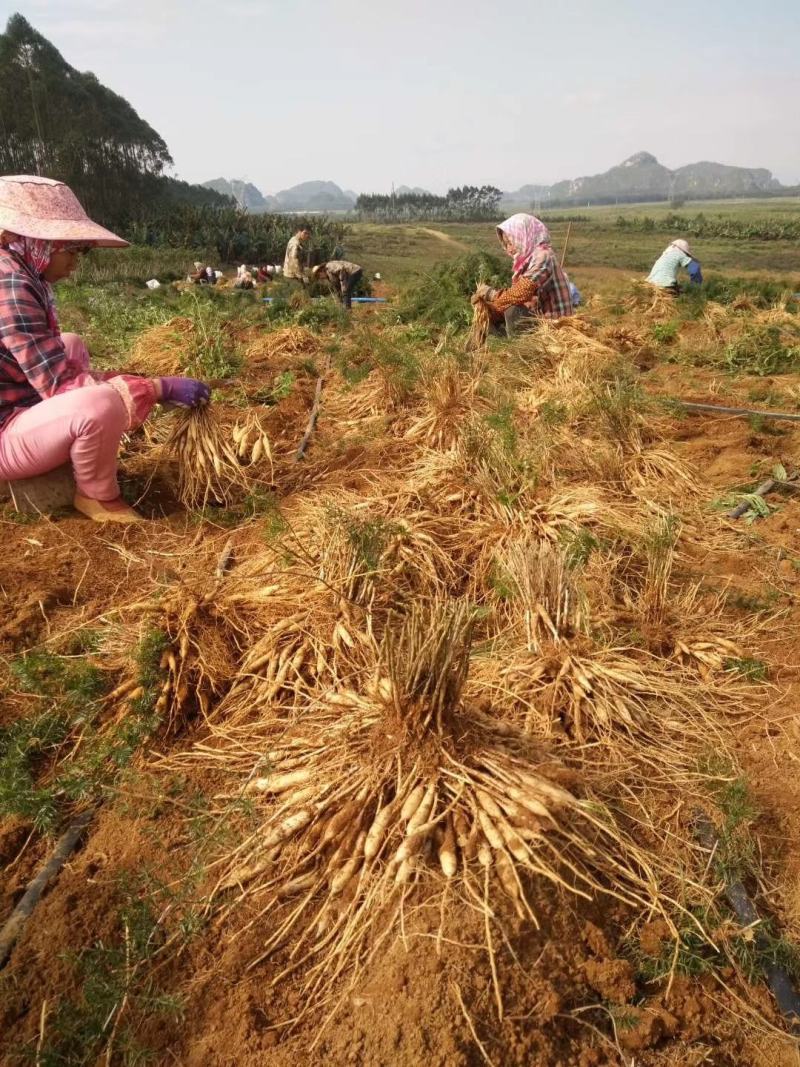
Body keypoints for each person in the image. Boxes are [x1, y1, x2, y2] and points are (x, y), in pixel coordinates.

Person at [0, 175, 209, 524]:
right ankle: (97, 497)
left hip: (15, 405)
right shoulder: (11, 284)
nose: (76, 262)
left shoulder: (19, 271)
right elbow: (61, 386)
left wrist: (141, 382)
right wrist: (156, 388)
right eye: (72, 250)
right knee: (102, 404)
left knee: (72, 344)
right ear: (37, 242)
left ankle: (72, 452)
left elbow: (55, 366)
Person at [473, 214, 573, 336]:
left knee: (513, 310)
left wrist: (491, 294)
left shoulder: (543, 255)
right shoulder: (528, 260)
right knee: (496, 313)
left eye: (510, 242)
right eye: (505, 244)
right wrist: (491, 307)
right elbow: (525, 299)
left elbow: (521, 293)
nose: (508, 249)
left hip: (556, 326)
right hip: (543, 321)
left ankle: (513, 347)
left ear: (523, 236)